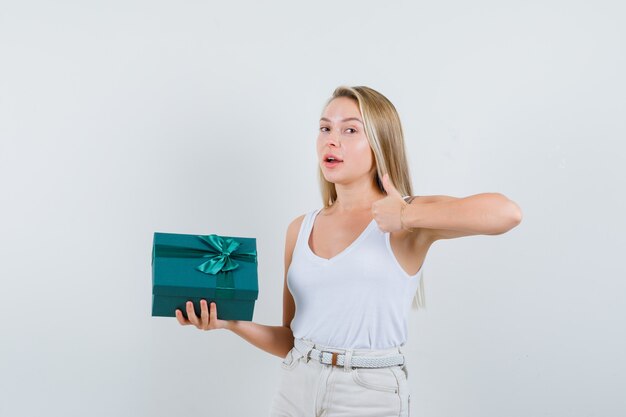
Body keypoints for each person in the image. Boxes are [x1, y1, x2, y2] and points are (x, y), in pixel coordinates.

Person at [175, 85, 523, 416]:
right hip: (295, 386)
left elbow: (506, 213)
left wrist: (404, 213)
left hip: (368, 393)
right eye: (325, 128)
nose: (331, 140)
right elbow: (290, 340)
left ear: (380, 144)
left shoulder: (407, 221)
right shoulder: (300, 228)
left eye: (350, 130)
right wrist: (232, 323)